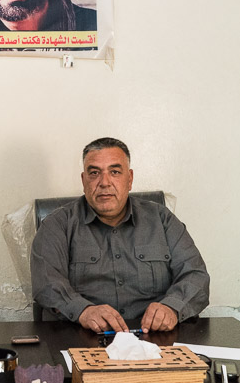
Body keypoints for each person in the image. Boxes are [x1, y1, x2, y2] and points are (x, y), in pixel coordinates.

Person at [31, 138, 209, 333]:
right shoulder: (57, 225)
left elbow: (196, 275)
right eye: (94, 173)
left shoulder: (161, 219)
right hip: (84, 338)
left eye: (115, 172)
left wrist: (172, 307)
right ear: (84, 181)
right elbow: (46, 284)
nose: (105, 183)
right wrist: (83, 311)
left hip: (154, 339)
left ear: (130, 179)